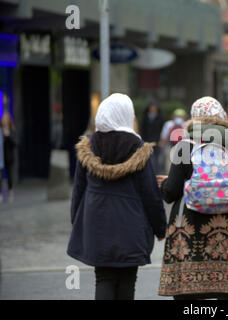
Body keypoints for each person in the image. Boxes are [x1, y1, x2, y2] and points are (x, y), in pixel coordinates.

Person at [157, 96, 228, 300]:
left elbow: (170, 194)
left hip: (189, 229)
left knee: (189, 296)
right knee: (226, 291)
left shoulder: (184, 148)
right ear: (222, 118)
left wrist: (165, 183)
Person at [67, 93, 167, 300]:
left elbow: (78, 190)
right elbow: (150, 194)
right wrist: (160, 227)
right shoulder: (140, 149)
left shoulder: (89, 145)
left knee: (103, 277)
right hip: (131, 223)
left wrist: (77, 221)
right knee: (127, 279)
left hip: (96, 222)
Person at [140, 100, 165, 174]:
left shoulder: (160, 117)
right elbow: (142, 129)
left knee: (158, 159)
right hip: (147, 140)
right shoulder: (145, 117)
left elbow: (163, 129)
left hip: (157, 141)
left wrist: (161, 140)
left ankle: (157, 173)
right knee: (148, 158)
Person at [1, 111, 17, 203]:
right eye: (3, 119)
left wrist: (8, 136)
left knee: (9, 175)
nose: (4, 121)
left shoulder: (11, 130)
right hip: (1, 156)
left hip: (8, 157)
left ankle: (10, 192)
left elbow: (15, 144)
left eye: (6, 119)